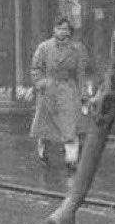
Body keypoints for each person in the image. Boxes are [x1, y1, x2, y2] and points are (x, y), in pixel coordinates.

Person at [29, 16, 89, 168]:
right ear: (54, 30)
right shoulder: (44, 47)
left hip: (68, 89)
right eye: (60, 28)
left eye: (66, 29)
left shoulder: (77, 49)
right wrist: (41, 83)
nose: (63, 32)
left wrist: (83, 94)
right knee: (45, 127)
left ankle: (71, 160)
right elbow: (36, 68)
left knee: (70, 126)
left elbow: (81, 73)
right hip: (48, 90)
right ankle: (43, 153)